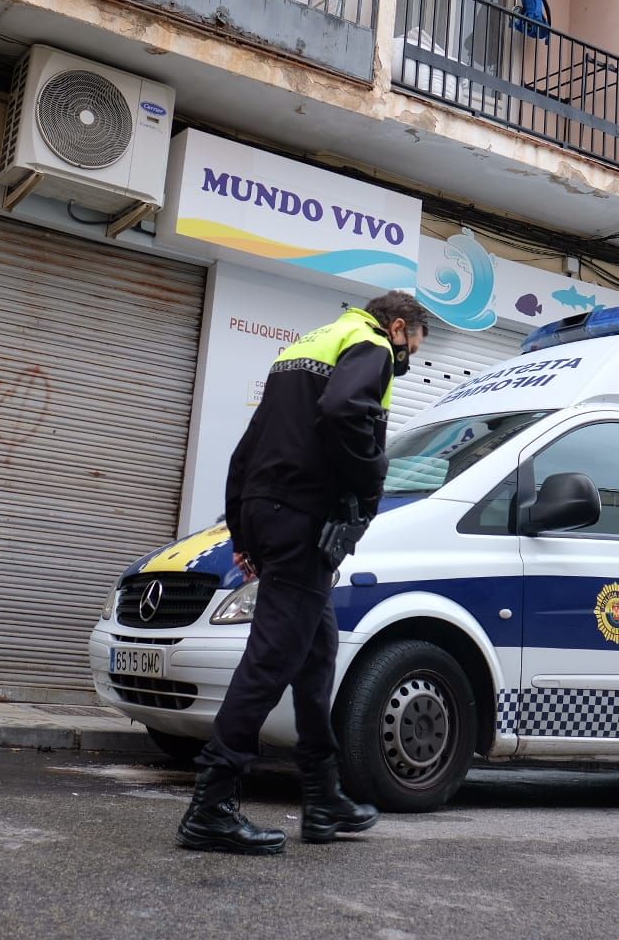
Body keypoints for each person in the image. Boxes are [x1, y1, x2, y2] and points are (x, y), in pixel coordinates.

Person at [176, 291, 429, 855]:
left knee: (315, 658)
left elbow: (251, 443)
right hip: (302, 520)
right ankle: (210, 806)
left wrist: (243, 529)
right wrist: (370, 482)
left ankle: (322, 798)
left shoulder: (302, 348)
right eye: (413, 344)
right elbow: (345, 412)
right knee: (272, 659)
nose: (408, 356)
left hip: (269, 514)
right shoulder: (369, 345)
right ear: (397, 327)